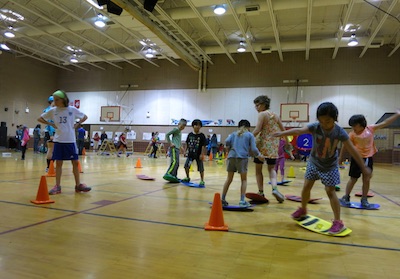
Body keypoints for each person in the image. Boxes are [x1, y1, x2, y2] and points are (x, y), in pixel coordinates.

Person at [273, 102, 371, 234]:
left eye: (328, 121)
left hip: (329, 166)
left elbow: (352, 150)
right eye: (321, 121)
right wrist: (282, 133)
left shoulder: (339, 132)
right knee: (306, 187)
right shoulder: (315, 127)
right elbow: (299, 130)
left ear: (335, 118)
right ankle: (303, 209)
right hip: (314, 162)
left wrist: (364, 168)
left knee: (330, 192)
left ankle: (338, 222)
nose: (324, 124)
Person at [339, 110, 400, 208]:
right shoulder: (352, 134)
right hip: (356, 159)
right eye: (352, 126)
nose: (353, 128)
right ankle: (346, 197)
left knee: (366, 180)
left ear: (361, 124)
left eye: (354, 126)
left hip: (368, 158)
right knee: (353, 179)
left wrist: (397, 114)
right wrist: (340, 158)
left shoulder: (370, 129)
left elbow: (385, 122)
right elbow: (344, 146)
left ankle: (364, 199)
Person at [38, 90, 91, 195]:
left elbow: (84, 116)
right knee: (58, 163)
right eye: (54, 100)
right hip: (59, 140)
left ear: (63, 100)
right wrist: (51, 124)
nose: (55, 102)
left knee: (75, 162)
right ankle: (57, 186)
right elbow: (40, 118)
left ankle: (78, 185)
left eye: (57, 100)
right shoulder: (53, 111)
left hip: (70, 140)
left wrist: (77, 124)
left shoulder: (72, 109)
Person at [252, 95, 288, 203]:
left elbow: (258, 129)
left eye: (258, 105)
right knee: (272, 169)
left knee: (258, 170)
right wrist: (288, 142)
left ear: (263, 104)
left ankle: (261, 191)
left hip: (261, 145)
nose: (256, 107)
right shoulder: (275, 115)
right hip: (273, 146)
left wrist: (247, 137)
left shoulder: (262, 114)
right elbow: (283, 130)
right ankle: (274, 188)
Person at [221, 120, 264, 207]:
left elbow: (226, 142)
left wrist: (229, 149)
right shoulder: (249, 135)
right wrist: (259, 156)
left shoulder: (233, 134)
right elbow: (254, 148)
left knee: (229, 179)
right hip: (242, 158)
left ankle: (222, 198)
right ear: (248, 127)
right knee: (243, 180)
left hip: (231, 157)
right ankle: (242, 200)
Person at [182, 119, 207, 186]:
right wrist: (185, 151)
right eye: (196, 125)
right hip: (190, 154)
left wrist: (202, 154)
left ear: (200, 126)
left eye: (199, 125)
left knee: (201, 168)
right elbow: (187, 143)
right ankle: (187, 177)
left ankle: (202, 180)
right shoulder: (190, 134)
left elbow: (203, 146)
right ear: (193, 126)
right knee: (186, 166)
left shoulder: (202, 135)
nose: (197, 126)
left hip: (198, 155)